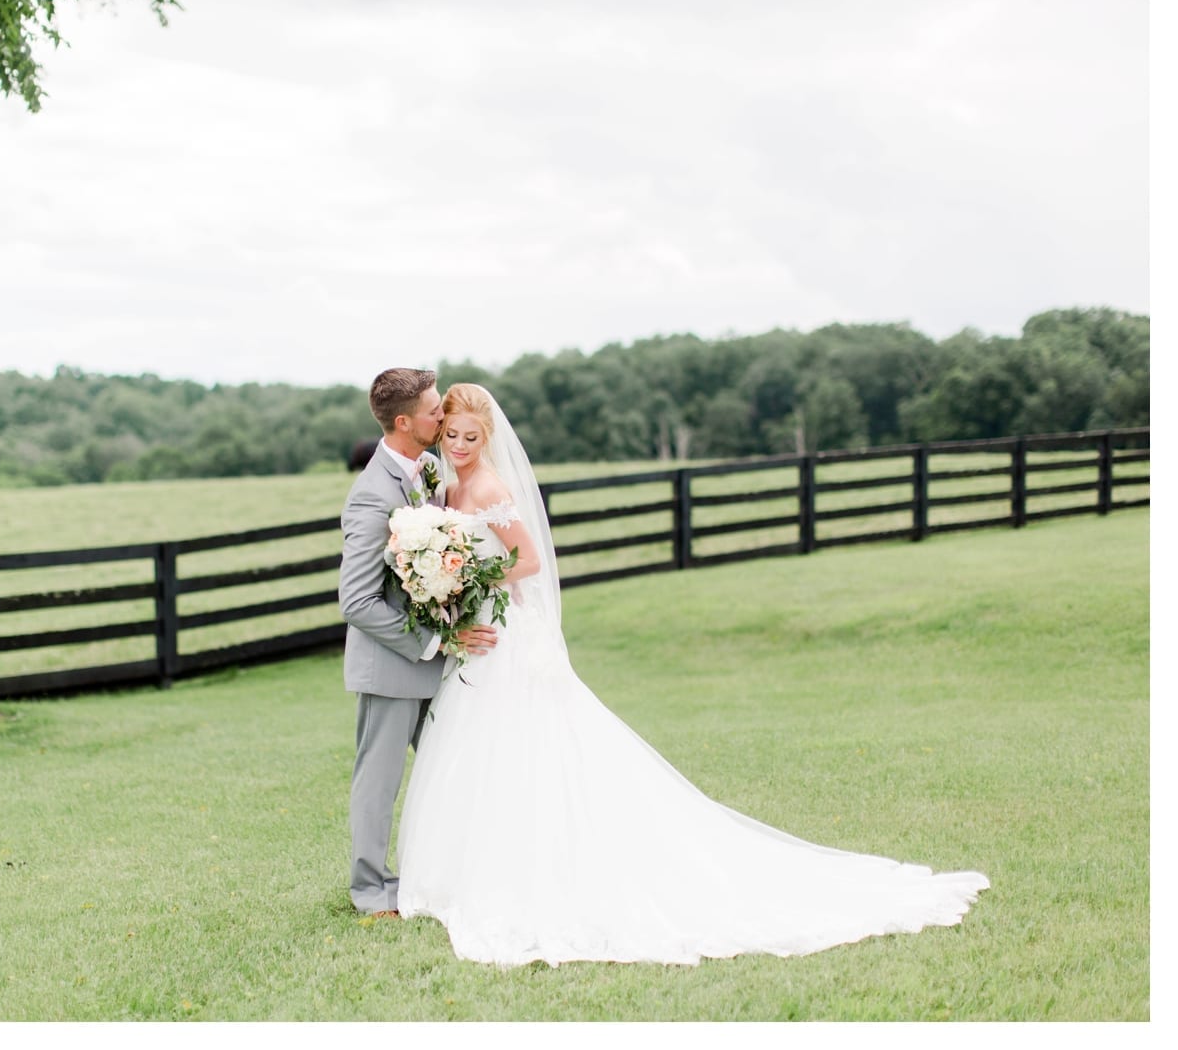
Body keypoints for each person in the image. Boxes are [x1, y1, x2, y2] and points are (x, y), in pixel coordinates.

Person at [394, 382, 990, 966]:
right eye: (452, 435)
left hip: (508, 642)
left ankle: (539, 870)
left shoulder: (492, 486)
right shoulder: (448, 487)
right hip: (480, 642)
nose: (461, 444)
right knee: (487, 756)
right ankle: (485, 869)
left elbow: (528, 559)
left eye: (472, 436)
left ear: (488, 436)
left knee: (530, 751)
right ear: (440, 433)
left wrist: (472, 578)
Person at [338, 368, 498, 918]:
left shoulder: (429, 470)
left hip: (443, 662)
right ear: (404, 422)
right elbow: (356, 601)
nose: (443, 416)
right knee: (378, 785)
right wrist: (433, 642)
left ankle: (445, 875)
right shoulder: (370, 497)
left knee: (450, 774)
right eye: (434, 411)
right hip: (393, 667)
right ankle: (369, 890)